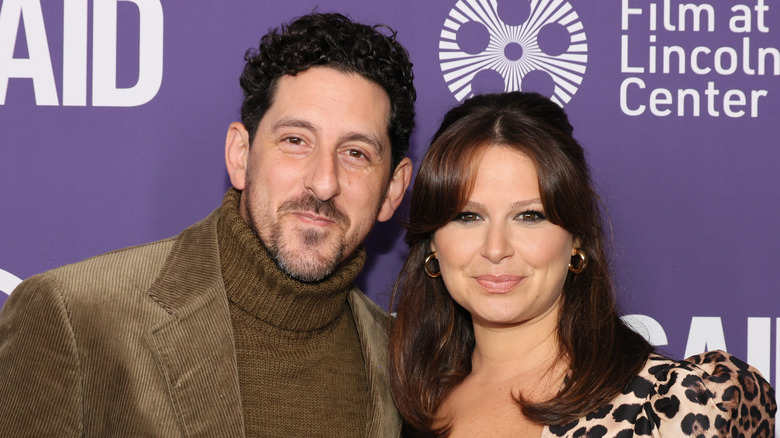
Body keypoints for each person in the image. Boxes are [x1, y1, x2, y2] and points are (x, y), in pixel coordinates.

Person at [0, 12, 415, 437]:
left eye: (356, 153)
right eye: (295, 141)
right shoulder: (74, 316)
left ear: (392, 189)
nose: (324, 183)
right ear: (240, 155)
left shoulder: (405, 364)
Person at [388, 92, 775, 437]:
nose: (495, 248)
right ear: (432, 243)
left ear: (576, 238)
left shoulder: (669, 408)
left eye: (529, 216)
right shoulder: (401, 408)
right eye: (467, 216)